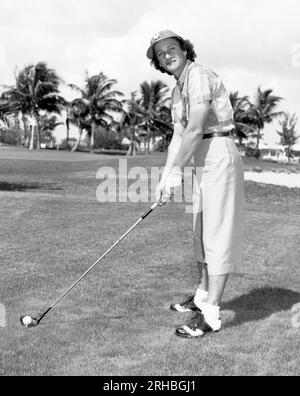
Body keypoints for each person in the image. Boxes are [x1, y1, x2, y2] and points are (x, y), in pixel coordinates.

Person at [146, 30, 244, 338]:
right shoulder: (177, 90)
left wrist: (177, 172)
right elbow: (179, 136)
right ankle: (202, 296)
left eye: (172, 48)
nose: (167, 55)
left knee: (216, 233)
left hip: (218, 151)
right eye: (161, 54)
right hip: (201, 156)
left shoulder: (198, 75)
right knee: (200, 230)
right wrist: (165, 178)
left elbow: (197, 126)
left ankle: (212, 314)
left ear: (185, 49)